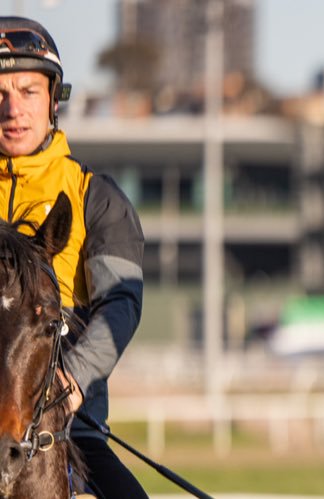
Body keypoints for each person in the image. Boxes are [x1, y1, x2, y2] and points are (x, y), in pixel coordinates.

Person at [0, 16, 147, 498]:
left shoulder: (94, 197)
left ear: (53, 99)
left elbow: (120, 305)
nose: (12, 109)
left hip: (68, 433)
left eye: (27, 92)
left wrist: (75, 380)